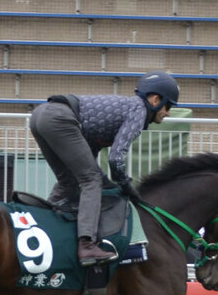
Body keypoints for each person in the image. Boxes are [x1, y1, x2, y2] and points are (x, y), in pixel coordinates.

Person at [30, 70, 180, 266]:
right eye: (168, 106)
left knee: (69, 182)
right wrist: (127, 186)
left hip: (41, 116)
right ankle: (87, 245)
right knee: (90, 180)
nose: (167, 113)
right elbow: (116, 158)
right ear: (155, 99)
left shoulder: (126, 109)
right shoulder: (139, 111)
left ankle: (41, 227)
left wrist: (109, 184)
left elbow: (90, 155)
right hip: (59, 118)